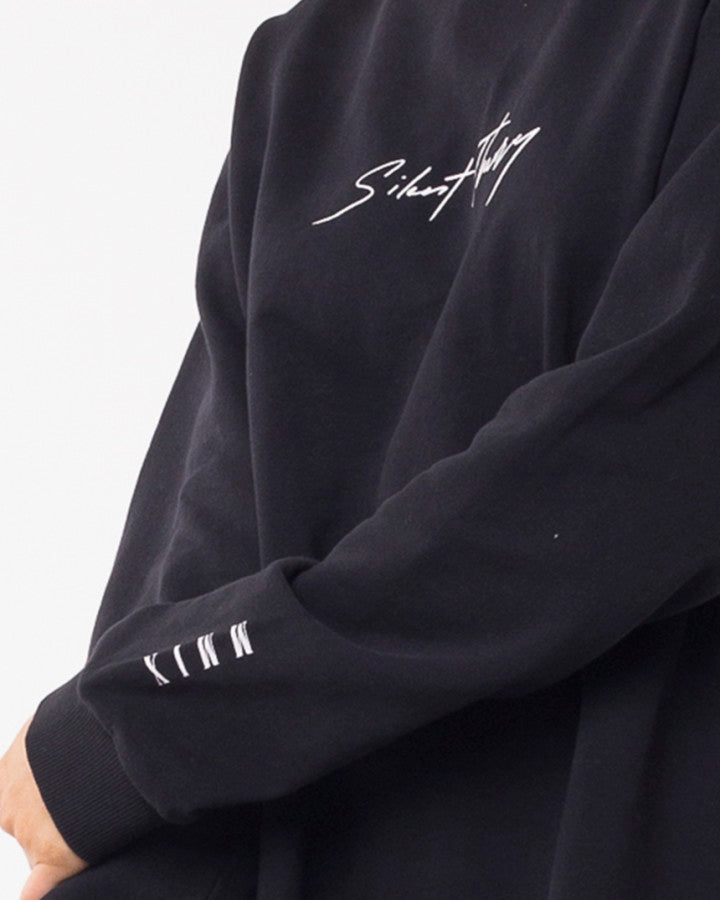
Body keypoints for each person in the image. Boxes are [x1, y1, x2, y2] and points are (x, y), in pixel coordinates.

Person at [2, 0, 720, 896]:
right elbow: (215, 535)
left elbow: (629, 482)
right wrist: (133, 773)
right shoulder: (307, 60)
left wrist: (156, 724)